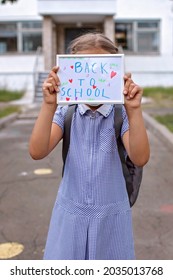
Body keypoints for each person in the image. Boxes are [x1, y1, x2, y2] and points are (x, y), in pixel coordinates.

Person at [29, 33, 150, 260]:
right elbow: (37, 151)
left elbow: (140, 156)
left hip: (111, 218)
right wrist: (48, 105)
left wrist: (134, 110)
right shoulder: (66, 112)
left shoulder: (121, 114)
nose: (93, 78)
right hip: (70, 215)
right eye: (84, 70)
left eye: (101, 69)